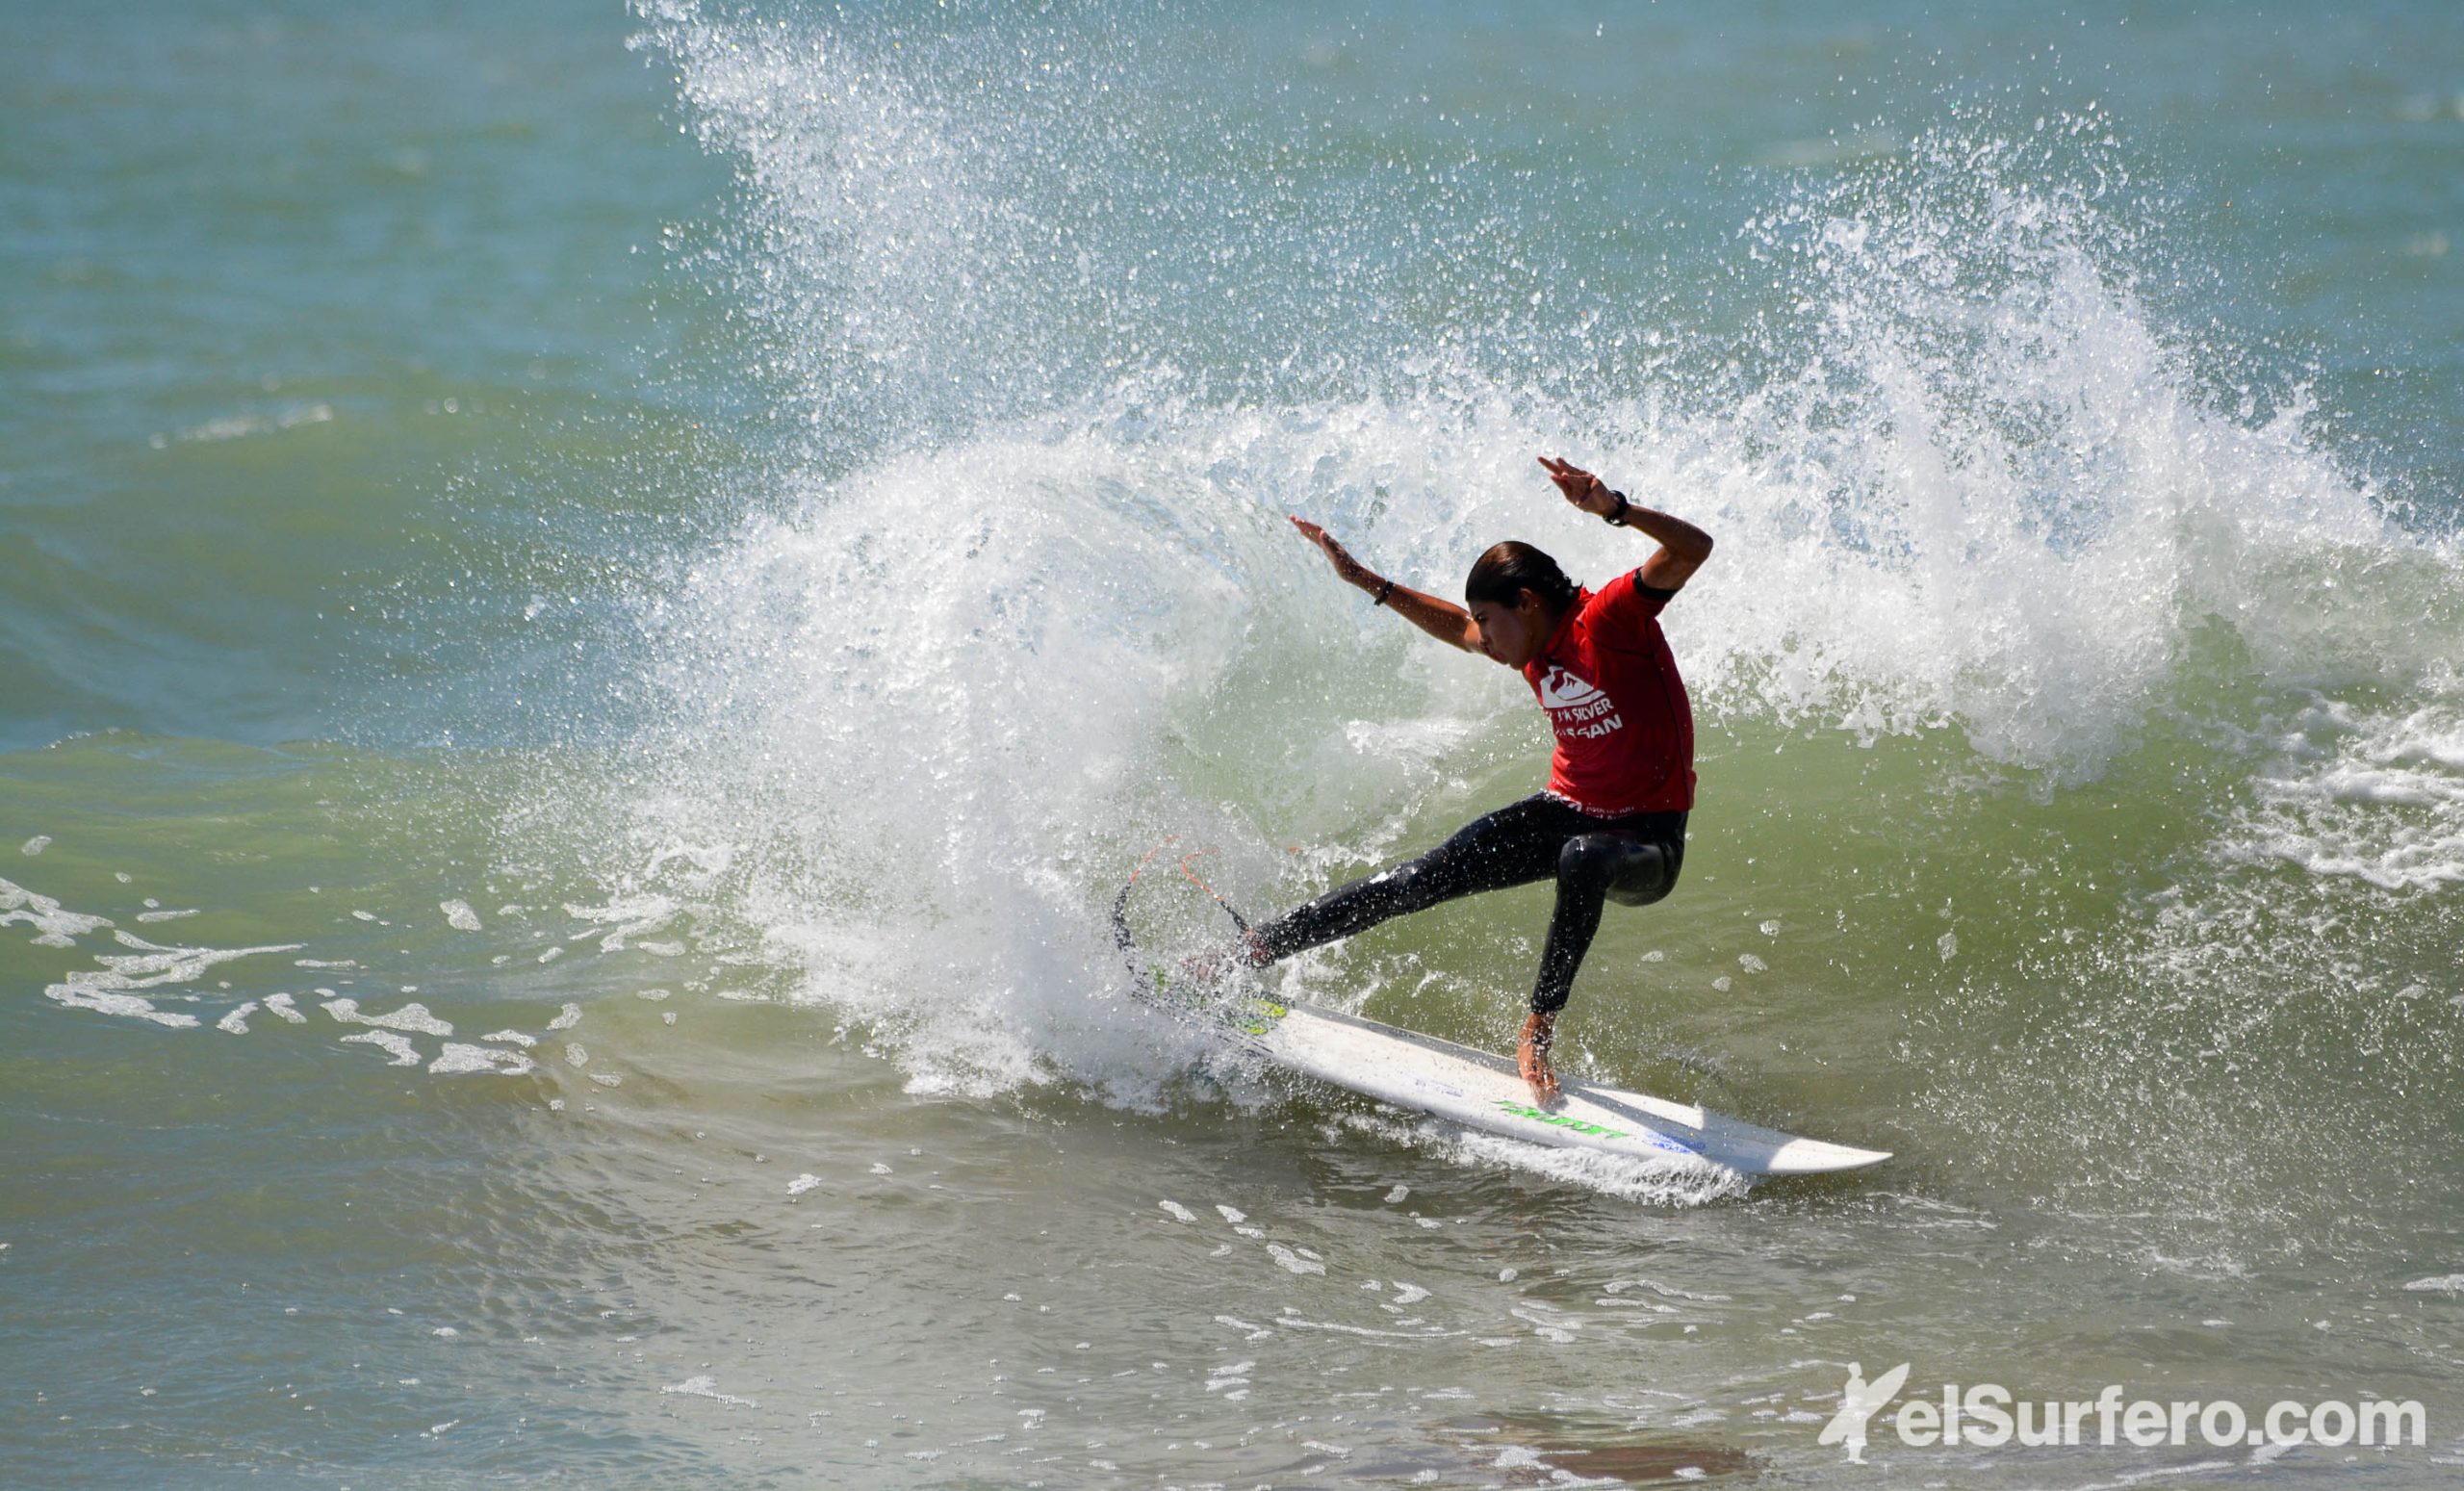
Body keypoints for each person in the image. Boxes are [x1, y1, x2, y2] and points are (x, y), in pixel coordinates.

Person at [1241, 454, 1712, 1103]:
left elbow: (1694, 548)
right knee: (1414, 879)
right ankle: (1252, 949)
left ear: (1526, 602)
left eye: (1488, 620)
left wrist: (1615, 510)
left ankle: (1539, 1029)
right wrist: (1363, 580)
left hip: (1646, 842)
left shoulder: (1608, 619)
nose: (1482, 637)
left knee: (1582, 858)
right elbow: (1453, 628)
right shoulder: (1529, 643)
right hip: (1567, 810)